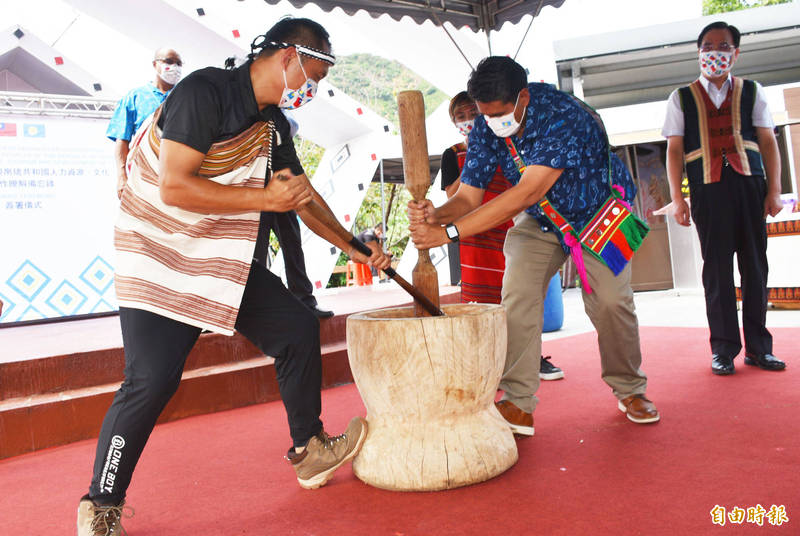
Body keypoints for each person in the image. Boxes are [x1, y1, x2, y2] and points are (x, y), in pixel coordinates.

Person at [77, 18, 391, 536]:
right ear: (289, 57)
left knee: (295, 325)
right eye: (315, 72)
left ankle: (309, 448)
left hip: (215, 258)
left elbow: (303, 196)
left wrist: (360, 248)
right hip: (158, 254)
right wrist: (264, 199)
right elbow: (175, 187)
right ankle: (100, 506)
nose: (314, 88)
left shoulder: (270, 125)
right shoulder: (204, 92)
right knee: (151, 382)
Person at [408, 56, 659, 438]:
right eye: (484, 114)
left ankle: (630, 389)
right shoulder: (486, 126)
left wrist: (449, 235)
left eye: (500, 113)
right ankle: (518, 402)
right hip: (541, 221)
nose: (492, 122)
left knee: (612, 302)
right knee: (518, 295)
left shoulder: (562, 115)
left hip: (597, 213)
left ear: (523, 97)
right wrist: (437, 215)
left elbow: (527, 191)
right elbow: (469, 197)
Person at [663, 21, 785, 376]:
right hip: (706, 189)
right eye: (708, 46)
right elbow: (673, 150)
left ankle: (759, 349)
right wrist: (677, 198)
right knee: (716, 272)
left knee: (755, 267)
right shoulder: (681, 97)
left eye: (723, 45)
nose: (715, 51)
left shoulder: (752, 91)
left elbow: (767, 141)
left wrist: (774, 190)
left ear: (735, 52)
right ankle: (723, 350)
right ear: (699, 52)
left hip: (750, 186)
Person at [440, 91, 563, 381]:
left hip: (511, 226)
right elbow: (452, 196)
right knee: (478, 303)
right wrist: (473, 160)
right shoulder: (452, 154)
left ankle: (530, 358)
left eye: (472, 113)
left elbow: (525, 184)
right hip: (473, 235)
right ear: (454, 122)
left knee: (520, 297)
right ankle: (485, 365)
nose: (468, 120)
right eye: (461, 117)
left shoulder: (504, 144)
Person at [254, 114, 334, 318]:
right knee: (256, 250)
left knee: (292, 244)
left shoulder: (281, 126)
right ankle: (253, 308)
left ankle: (305, 300)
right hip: (256, 195)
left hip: (281, 191)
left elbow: (295, 180)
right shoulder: (250, 125)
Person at [106, 47, 183, 198]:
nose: (174, 67)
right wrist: (122, 176)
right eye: (169, 61)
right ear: (155, 64)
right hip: (143, 174)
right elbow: (122, 141)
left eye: (179, 63)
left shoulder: (186, 97)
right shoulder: (134, 97)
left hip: (179, 175)